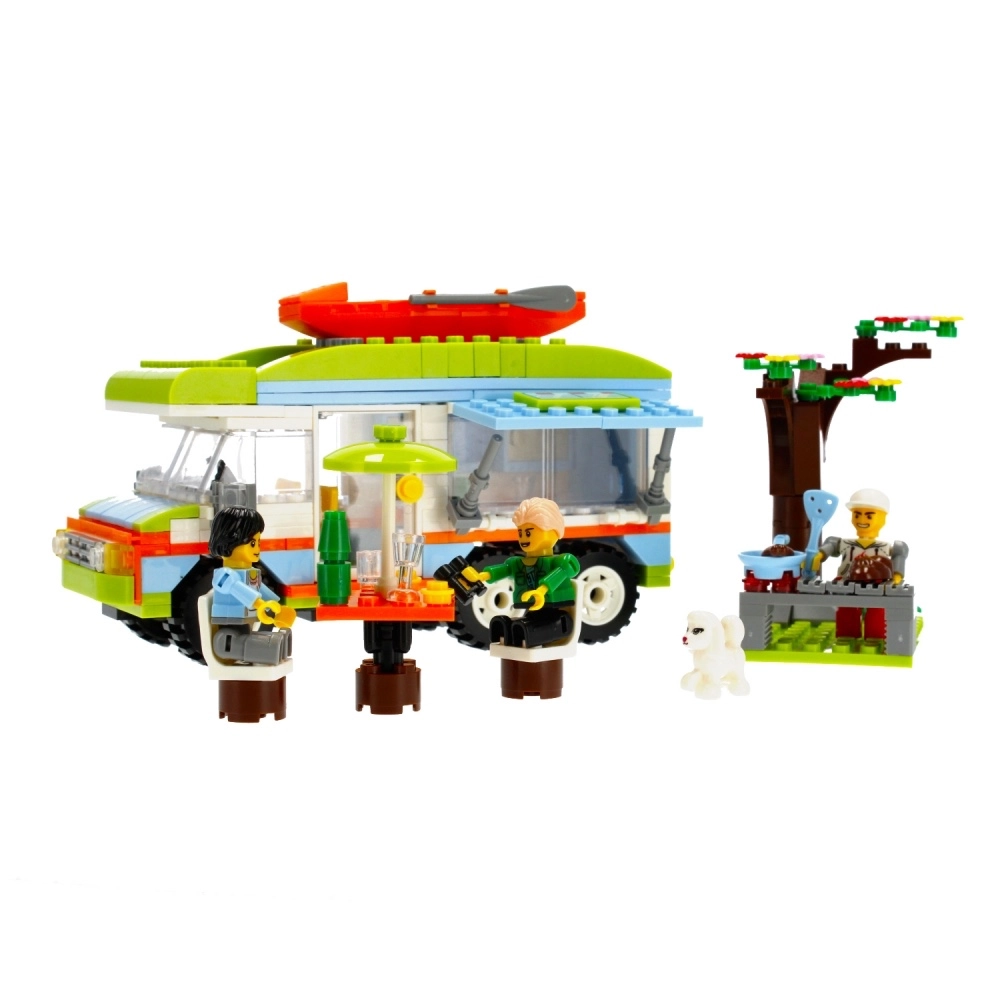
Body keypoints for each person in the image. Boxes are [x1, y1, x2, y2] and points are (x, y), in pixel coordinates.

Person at [463, 497, 580, 648]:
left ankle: (527, 635)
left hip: (555, 615)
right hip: (531, 610)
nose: (524, 538)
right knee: (508, 625)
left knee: (530, 628)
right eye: (521, 533)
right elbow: (504, 570)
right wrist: (482, 576)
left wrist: (542, 590)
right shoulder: (518, 563)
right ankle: (512, 635)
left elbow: (561, 572)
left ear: (552, 532)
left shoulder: (561, 561)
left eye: (529, 533)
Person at [811, 489, 908, 640]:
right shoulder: (846, 543)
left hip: (877, 584)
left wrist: (896, 576)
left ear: (882, 519)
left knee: (877, 611)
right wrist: (820, 554)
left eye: (869, 516)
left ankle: (875, 639)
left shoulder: (884, 547)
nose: (862, 520)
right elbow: (831, 545)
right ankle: (847, 638)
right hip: (846, 583)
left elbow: (899, 555)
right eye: (857, 515)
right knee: (847, 610)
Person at [208, 506, 295, 665]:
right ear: (230, 541)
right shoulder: (224, 575)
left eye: (258, 543)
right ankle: (268, 649)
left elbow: (259, 589)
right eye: (252, 543)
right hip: (230, 625)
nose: (257, 549)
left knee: (258, 637)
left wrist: (277, 606)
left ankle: (275, 648)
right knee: (244, 641)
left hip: (245, 623)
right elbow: (235, 587)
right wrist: (259, 604)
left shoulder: (251, 573)